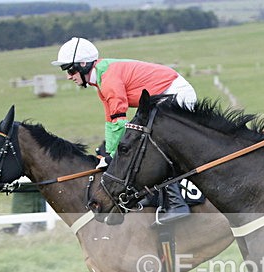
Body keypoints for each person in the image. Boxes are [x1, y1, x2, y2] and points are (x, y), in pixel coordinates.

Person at [52, 37, 196, 224]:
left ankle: (177, 204)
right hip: (162, 96)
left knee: (151, 146)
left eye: (70, 69)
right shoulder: (101, 80)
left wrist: (114, 157)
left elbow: (119, 121)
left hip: (175, 93)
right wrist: (109, 154)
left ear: (83, 64)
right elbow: (110, 121)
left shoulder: (109, 78)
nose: (68, 76)